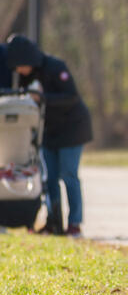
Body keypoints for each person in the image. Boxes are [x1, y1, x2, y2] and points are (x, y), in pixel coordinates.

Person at [6, 34, 93, 237]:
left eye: (20, 66)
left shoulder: (56, 67)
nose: (18, 71)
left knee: (69, 175)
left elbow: (71, 97)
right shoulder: (27, 76)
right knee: (49, 178)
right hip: (49, 132)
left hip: (72, 130)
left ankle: (75, 223)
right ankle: (54, 221)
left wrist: (42, 98)